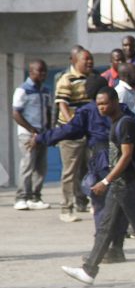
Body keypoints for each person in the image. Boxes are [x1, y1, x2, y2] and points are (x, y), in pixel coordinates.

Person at [61, 87, 135, 287]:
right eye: (98, 104)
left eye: (104, 103)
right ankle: (89, 270)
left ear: (114, 102)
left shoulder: (126, 124)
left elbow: (126, 156)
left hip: (127, 184)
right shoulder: (116, 124)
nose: (101, 107)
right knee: (105, 227)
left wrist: (105, 181)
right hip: (119, 185)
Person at [33, 75, 130, 263]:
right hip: (124, 159)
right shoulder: (123, 109)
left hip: (102, 159)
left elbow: (68, 130)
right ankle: (117, 249)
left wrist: (41, 138)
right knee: (121, 205)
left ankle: (101, 252)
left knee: (101, 206)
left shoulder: (88, 111)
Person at [54, 47, 94, 221]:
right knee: (70, 172)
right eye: (86, 60)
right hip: (71, 134)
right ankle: (66, 208)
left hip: (89, 132)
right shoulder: (66, 79)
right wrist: (72, 123)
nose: (90, 62)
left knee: (92, 168)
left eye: (91, 59)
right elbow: (62, 103)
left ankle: (92, 202)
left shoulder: (91, 79)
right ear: (76, 61)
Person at [12, 59, 52, 211]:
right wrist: (32, 130)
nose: (43, 74)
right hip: (27, 134)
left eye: (44, 71)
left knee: (41, 166)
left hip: (42, 134)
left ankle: (35, 196)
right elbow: (16, 113)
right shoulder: (23, 89)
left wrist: (48, 130)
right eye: (39, 71)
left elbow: (48, 111)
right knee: (28, 164)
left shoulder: (46, 90)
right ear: (31, 72)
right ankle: (21, 197)